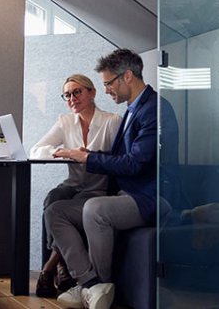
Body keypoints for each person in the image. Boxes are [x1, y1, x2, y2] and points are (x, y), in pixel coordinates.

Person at [50, 49, 172, 309]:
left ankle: (96, 288)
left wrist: (87, 159)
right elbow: (122, 156)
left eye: (108, 83)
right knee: (56, 211)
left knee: (95, 209)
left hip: (152, 197)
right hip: (128, 195)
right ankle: (91, 284)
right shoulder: (132, 110)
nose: (106, 90)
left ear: (126, 76)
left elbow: (136, 163)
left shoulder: (154, 109)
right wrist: (89, 154)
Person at [30, 74, 121, 298]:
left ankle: (50, 267)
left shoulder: (111, 121)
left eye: (77, 92)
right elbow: (36, 149)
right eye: (67, 94)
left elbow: (121, 159)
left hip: (98, 188)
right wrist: (61, 152)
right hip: (73, 184)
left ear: (92, 93)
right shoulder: (65, 121)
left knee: (59, 208)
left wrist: (88, 156)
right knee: (53, 196)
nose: (72, 98)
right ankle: (60, 266)